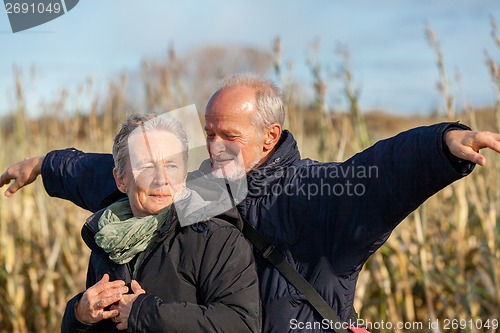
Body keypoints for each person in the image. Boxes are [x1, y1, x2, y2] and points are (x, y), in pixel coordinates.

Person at [2, 73, 500, 332]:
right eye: (207, 132)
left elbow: (380, 175)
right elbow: (122, 176)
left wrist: (441, 145)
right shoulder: (204, 184)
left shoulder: (315, 194)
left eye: (228, 135)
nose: (213, 145)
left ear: (270, 136)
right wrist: (46, 163)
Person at [60, 113, 261, 332]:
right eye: (147, 166)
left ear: (184, 176)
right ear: (120, 179)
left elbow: (241, 324)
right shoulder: (106, 238)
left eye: (172, 166)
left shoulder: (217, 239)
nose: (161, 179)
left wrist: (144, 314)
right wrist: (80, 316)